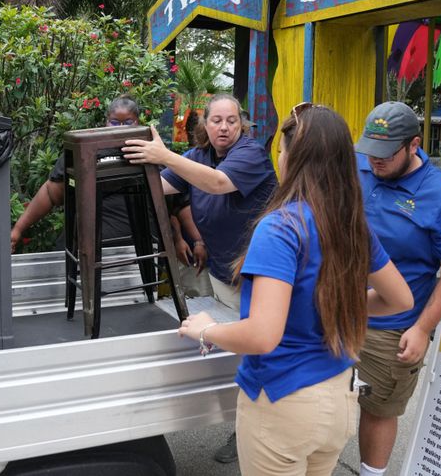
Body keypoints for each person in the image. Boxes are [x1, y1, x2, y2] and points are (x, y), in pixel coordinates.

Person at [176, 103, 413, 476]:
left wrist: (205, 330)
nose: (279, 159)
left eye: (282, 152)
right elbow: (401, 299)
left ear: (293, 158)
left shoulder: (280, 228)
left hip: (283, 402)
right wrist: (333, 305)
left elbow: (262, 335)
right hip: (339, 397)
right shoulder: (350, 222)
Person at [122, 92, 277, 462]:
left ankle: (257, 433)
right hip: (225, 271)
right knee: (244, 354)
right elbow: (161, 186)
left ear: (242, 124)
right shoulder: (196, 156)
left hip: (262, 276)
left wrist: (164, 155)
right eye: (216, 120)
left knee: (263, 352)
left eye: (232, 121)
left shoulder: (250, 154)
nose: (224, 127)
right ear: (204, 125)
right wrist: (119, 165)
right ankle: (249, 427)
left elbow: (218, 183)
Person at [353, 101, 441, 476]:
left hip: (391, 327)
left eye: (386, 154)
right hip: (338, 309)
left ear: (414, 144)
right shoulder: (360, 168)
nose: (376, 162)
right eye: (370, 152)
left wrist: (422, 328)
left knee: (378, 408)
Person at [10, 95, 146, 252]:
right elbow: (50, 193)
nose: (121, 128)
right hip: (85, 248)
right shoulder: (85, 151)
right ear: (106, 122)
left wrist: (176, 238)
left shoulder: (151, 150)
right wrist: (18, 229)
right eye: (115, 122)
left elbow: (172, 198)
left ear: (138, 122)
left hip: (140, 250)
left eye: (128, 123)